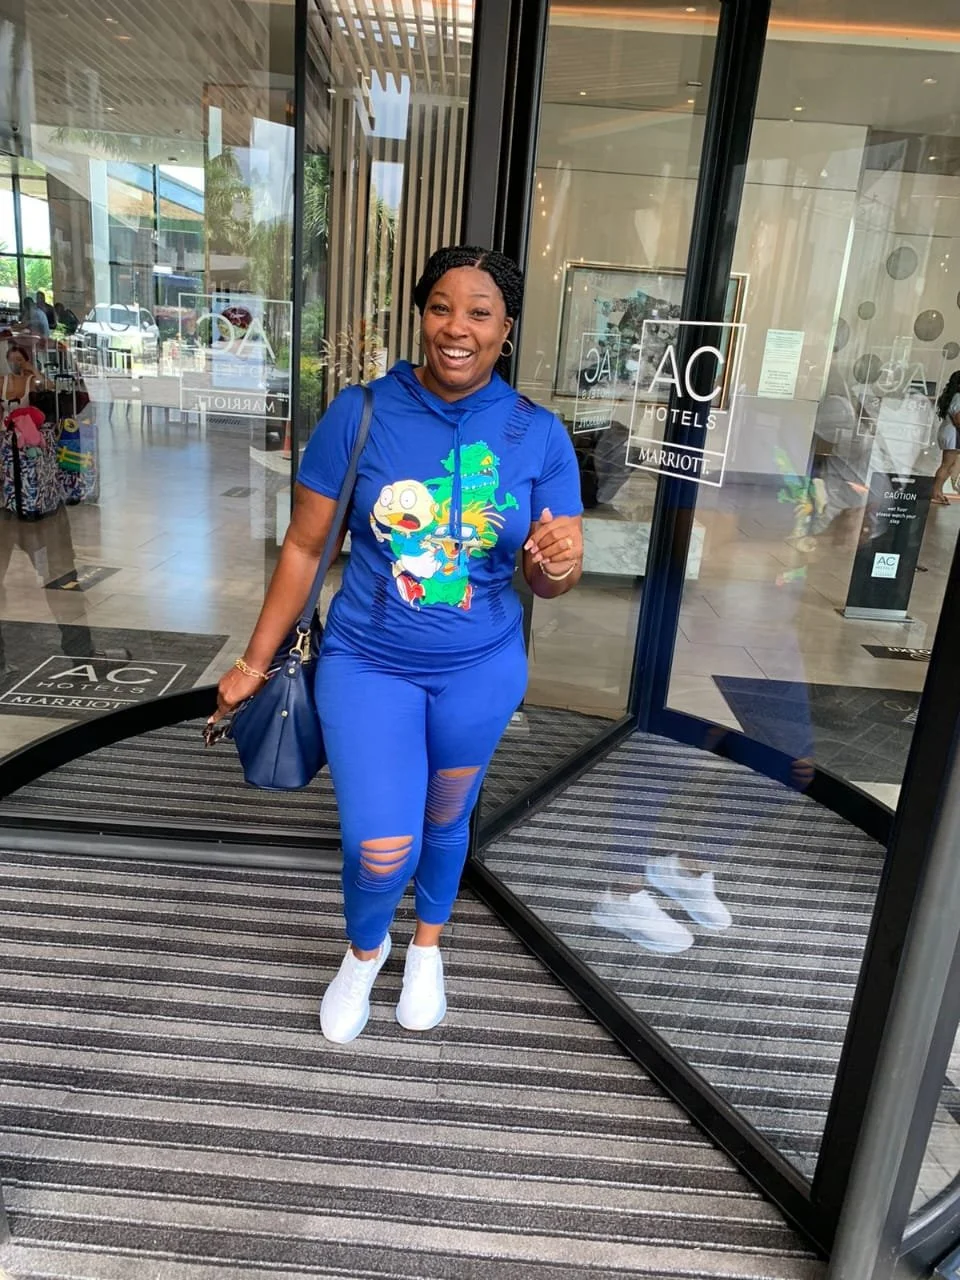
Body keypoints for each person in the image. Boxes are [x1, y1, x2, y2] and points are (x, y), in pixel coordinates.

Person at [211, 245, 584, 1044]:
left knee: (448, 817)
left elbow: (551, 579)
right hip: (368, 662)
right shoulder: (363, 411)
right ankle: (364, 951)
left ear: (506, 328)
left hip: (481, 669)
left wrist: (555, 569)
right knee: (381, 843)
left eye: (479, 312)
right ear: (421, 315)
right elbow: (306, 550)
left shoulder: (539, 435)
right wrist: (252, 663)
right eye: (441, 306)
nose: (457, 327)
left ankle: (429, 947)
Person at [932, 371, 960, 505]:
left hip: (949, 432)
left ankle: (938, 492)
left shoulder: (953, 396)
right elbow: (958, 418)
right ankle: (935, 492)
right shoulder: (959, 397)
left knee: (950, 465)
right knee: (947, 465)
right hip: (953, 434)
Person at [1, 343, 42, 415]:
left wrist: (33, 369)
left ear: (26, 361)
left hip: (26, 424)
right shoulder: (2, 381)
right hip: (5, 424)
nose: (15, 363)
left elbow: (48, 386)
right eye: (11, 360)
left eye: (19, 359)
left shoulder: (31, 380)